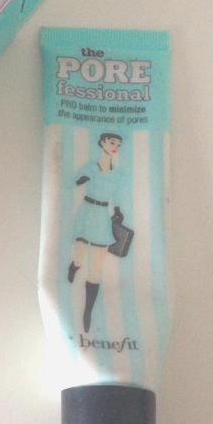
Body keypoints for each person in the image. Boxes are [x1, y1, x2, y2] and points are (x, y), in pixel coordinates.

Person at [67, 132, 127, 332]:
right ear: (102, 143)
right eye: (112, 142)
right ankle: (74, 266)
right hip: (86, 212)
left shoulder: (117, 174)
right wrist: (80, 180)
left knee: (96, 268)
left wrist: (118, 211)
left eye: (118, 144)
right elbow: (71, 182)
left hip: (102, 216)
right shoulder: (90, 167)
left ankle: (87, 312)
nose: (115, 146)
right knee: (79, 254)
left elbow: (117, 195)